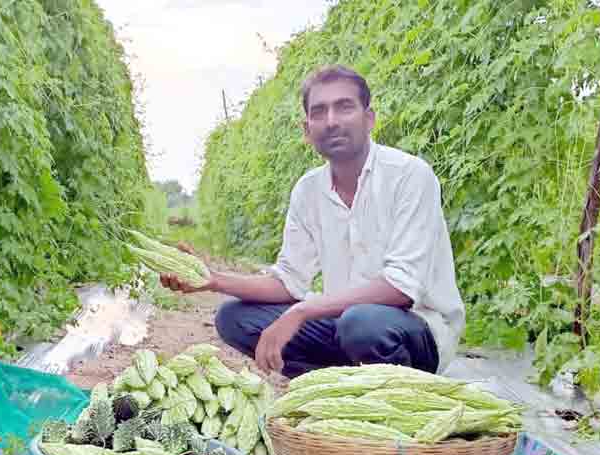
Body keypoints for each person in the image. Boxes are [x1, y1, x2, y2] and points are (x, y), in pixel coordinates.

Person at [161, 65, 465, 379]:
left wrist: (304, 310)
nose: (331, 121)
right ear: (307, 130)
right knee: (233, 317)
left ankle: (396, 393)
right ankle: (332, 386)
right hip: (343, 325)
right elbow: (289, 281)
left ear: (369, 118)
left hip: (414, 330)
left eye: (344, 107)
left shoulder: (409, 175)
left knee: (361, 325)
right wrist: (212, 279)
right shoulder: (308, 190)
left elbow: (402, 287)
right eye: (319, 112)